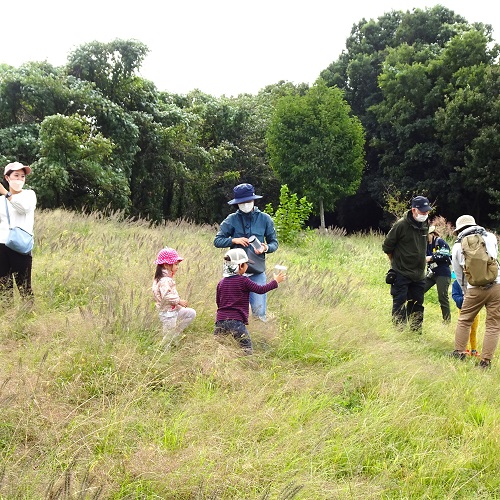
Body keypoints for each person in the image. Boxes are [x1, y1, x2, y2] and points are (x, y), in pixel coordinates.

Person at [214, 183, 278, 322]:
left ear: (254, 200)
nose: (246, 204)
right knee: (231, 311)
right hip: (234, 273)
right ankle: (233, 338)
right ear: (237, 204)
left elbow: (274, 243)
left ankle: (260, 339)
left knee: (259, 312)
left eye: (248, 201)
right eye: (242, 202)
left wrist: (265, 248)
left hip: (256, 271)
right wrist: (234, 240)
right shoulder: (231, 219)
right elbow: (217, 241)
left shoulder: (265, 219)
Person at [450, 215, 500, 369]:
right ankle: (485, 361)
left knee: (465, 320)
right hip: (496, 285)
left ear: (459, 230)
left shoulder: (457, 247)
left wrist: (466, 292)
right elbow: (495, 258)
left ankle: (459, 353)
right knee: (493, 324)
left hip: (473, 289)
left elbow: (459, 274)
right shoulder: (490, 237)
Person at [214, 248, 285, 354]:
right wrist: (275, 282)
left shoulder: (221, 282)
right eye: (246, 264)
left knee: (217, 348)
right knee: (247, 349)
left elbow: (218, 302)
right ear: (240, 266)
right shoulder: (244, 281)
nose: (248, 266)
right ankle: (247, 366)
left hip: (220, 321)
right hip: (236, 322)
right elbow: (261, 290)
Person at [382, 196, 431, 332]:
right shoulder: (401, 225)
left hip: (419, 274)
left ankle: (416, 332)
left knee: (417, 304)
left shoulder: (425, 224)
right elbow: (387, 247)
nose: (425, 214)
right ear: (414, 210)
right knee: (399, 303)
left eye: (427, 212)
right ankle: (399, 332)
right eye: (422, 212)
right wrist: (395, 263)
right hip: (401, 273)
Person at [0, 161, 37, 302]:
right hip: (2, 245)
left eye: (22, 176)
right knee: (4, 286)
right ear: (7, 178)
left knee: (24, 286)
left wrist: (6, 193)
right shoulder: (0, 200)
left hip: (21, 245)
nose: (20, 179)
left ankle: (28, 316)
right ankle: (8, 317)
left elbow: (24, 209)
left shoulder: (29, 195)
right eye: (16, 175)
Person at [152, 247, 196, 349]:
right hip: (168, 313)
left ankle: (174, 336)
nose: (177, 267)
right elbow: (166, 296)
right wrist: (179, 301)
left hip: (173, 310)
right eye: (176, 264)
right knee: (167, 335)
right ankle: (163, 351)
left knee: (190, 313)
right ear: (166, 265)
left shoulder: (165, 278)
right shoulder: (164, 280)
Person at [424, 225, 452, 322]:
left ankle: (447, 320)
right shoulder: (425, 244)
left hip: (443, 273)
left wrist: (431, 258)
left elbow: (446, 255)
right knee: (419, 290)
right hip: (431, 273)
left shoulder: (439, 241)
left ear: (431, 234)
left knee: (442, 297)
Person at [451, 278, 480, 357]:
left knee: (473, 330)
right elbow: (455, 295)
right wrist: (464, 299)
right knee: (464, 330)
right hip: (463, 310)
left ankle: (474, 350)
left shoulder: (475, 281)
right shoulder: (456, 283)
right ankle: (464, 349)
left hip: (475, 310)